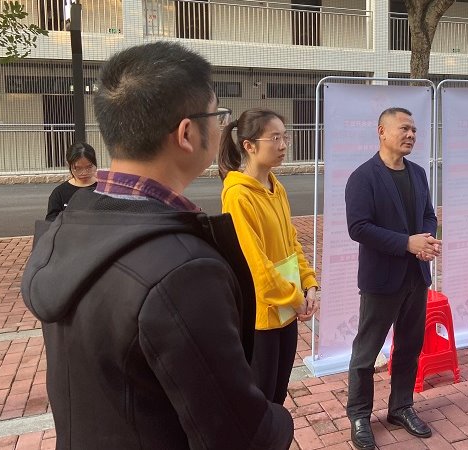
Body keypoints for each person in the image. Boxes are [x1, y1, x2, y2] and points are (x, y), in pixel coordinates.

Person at [20, 42, 293, 449]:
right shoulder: (184, 269)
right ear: (186, 133)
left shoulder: (64, 229)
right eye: (218, 116)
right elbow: (240, 434)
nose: (223, 127)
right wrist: (280, 419)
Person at [344, 107, 441, 450]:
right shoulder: (363, 177)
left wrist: (426, 240)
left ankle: (401, 407)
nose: (411, 135)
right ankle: (359, 415)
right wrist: (406, 243)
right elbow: (358, 228)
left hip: (416, 276)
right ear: (382, 132)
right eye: (403, 128)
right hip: (381, 280)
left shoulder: (418, 173)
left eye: (414, 129)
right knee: (366, 353)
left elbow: (428, 215)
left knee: (410, 346)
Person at [219, 108, 320, 405]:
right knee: (260, 401)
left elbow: (292, 242)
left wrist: (309, 283)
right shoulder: (238, 195)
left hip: (287, 311)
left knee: (278, 394)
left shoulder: (277, 187)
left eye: (285, 137)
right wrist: (296, 298)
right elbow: (256, 266)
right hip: (262, 317)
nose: (283, 145)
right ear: (249, 146)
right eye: (274, 138)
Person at [45, 142, 98, 221]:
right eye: (78, 168)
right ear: (68, 165)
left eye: (89, 167)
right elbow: (51, 222)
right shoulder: (59, 193)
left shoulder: (105, 189)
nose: (84, 173)